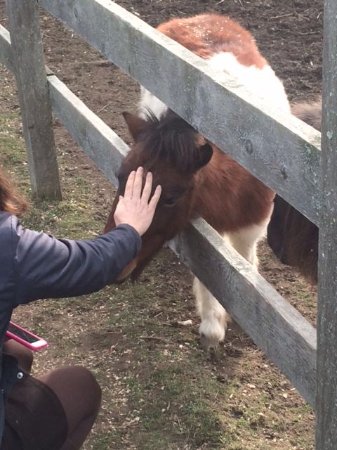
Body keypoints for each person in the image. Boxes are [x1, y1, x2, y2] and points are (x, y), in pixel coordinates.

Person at [0, 165, 161, 450]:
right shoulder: (7, 245)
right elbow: (89, 263)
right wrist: (130, 229)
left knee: (18, 353)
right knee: (81, 386)